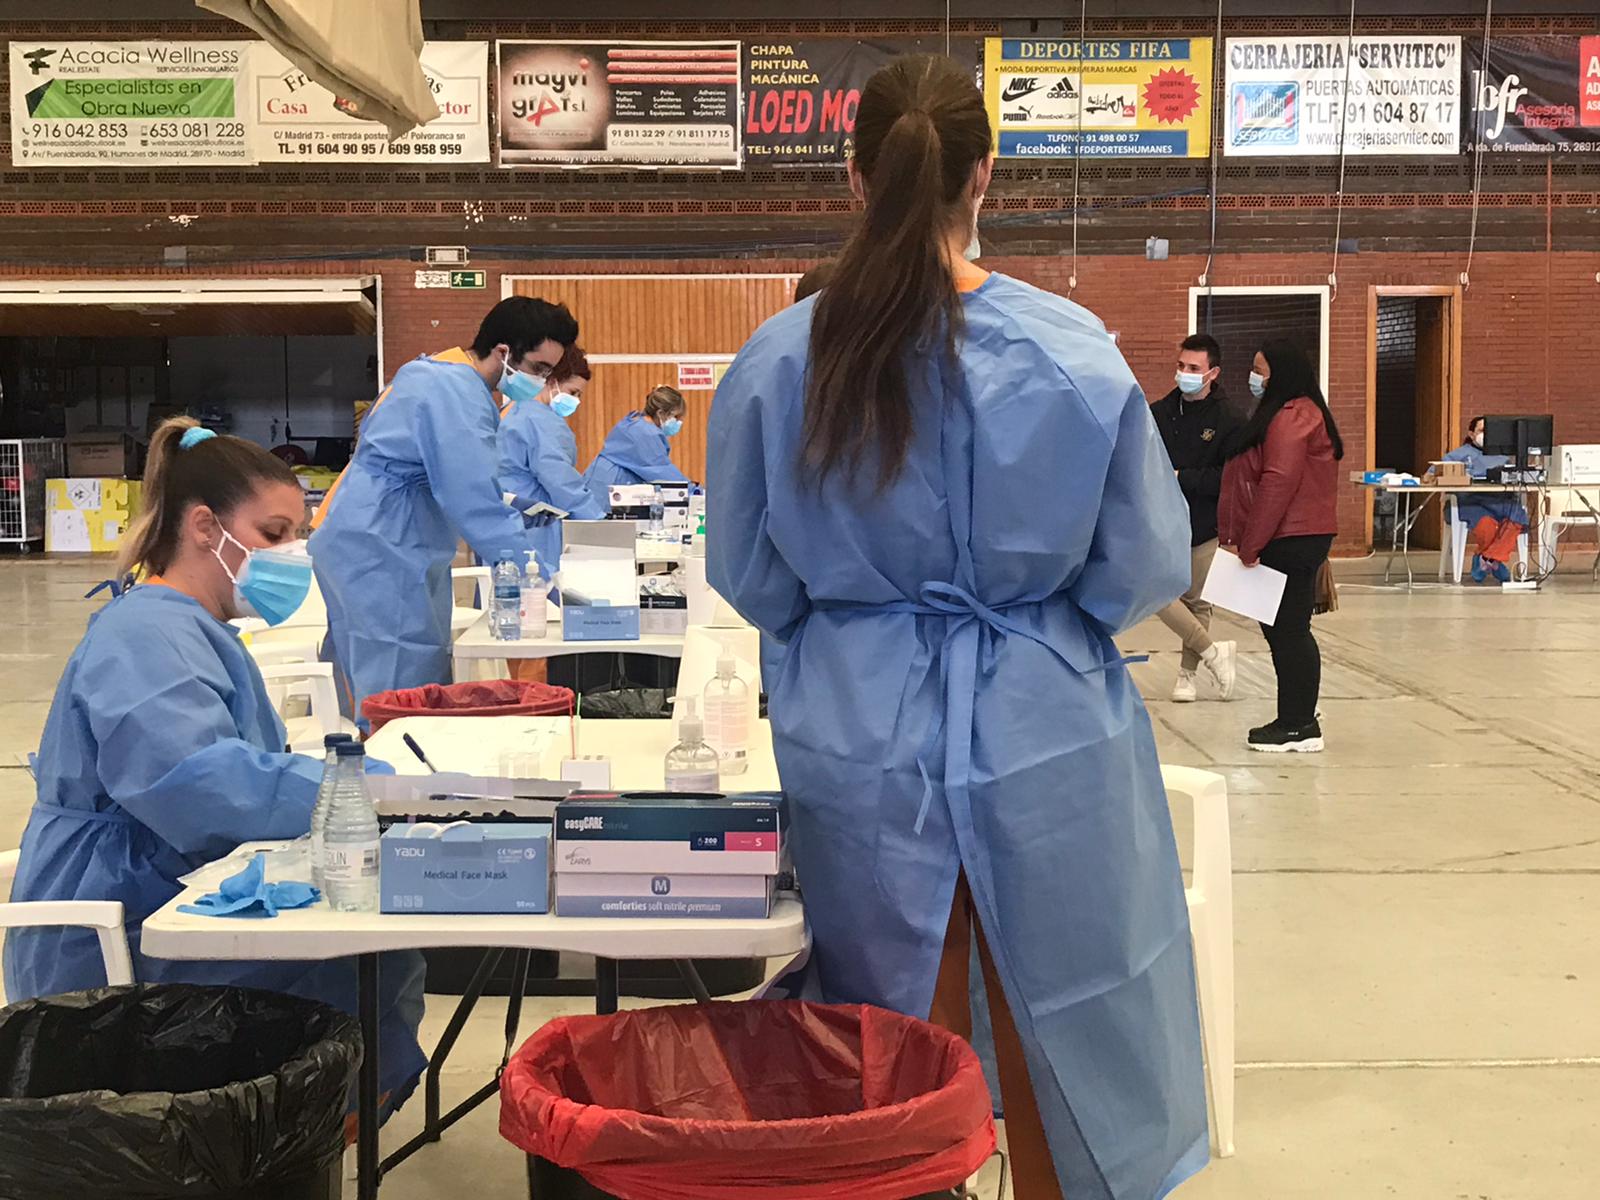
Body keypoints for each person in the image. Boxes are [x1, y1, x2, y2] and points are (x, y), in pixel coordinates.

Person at [707, 54, 1206, 1200]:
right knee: (1070, 1009)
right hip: (1045, 716)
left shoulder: (785, 358)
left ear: (852, 178)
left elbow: (749, 570)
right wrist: (1038, 622)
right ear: (986, 175)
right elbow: (1141, 563)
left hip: (860, 725)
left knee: (891, 1025)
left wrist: (850, 629)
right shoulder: (1072, 350)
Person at [2, 417, 426, 1110]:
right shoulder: (145, 632)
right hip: (116, 924)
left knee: (376, 945)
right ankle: (312, 1139)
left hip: (162, 879)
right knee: (358, 965)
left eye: (298, 537)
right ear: (205, 527)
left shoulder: (192, 627)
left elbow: (237, 769)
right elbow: (198, 785)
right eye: (275, 534)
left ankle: (320, 1132)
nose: (294, 556)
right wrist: (355, 789)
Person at [309, 297, 575, 721]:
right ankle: (388, 775)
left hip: (372, 530)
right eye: (539, 369)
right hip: (381, 541)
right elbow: (472, 499)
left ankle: (371, 764)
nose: (541, 381)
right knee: (397, 681)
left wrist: (507, 503)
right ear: (504, 352)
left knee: (372, 663)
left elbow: (445, 473)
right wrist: (547, 577)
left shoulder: (435, 373)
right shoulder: (454, 392)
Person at [1218, 339, 1342, 753]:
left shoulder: (1293, 416)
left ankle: (1299, 724)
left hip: (1289, 537)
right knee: (1284, 631)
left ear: (1281, 372)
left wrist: (1250, 545)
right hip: (1291, 535)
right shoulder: (1292, 412)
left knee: (1289, 631)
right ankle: (1296, 715)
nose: (1254, 378)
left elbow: (1278, 482)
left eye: (1260, 369)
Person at [1150, 333, 1242, 702]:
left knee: (1197, 601)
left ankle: (1187, 675)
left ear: (1212, 372)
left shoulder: (1231, 419)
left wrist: (1181, 477)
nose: (1184, 373)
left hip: (1204, 524)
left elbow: (1231, 476)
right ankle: (1213, 652)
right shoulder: (1158, 412)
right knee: (1153, 593)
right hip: (1160, 523)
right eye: (1181, 366)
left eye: (1193, 368)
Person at [497, 344, 608, 575]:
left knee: (502, 588)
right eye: (573, 392)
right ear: (551, 380)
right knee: (538, 595)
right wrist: (599, 521)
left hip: (504, 520)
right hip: (535, 526)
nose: (576, 400)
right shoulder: (539, 420)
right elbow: (559, 479)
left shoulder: (513, 410)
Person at [1442, 416, 1526, 583]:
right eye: (1481, 431)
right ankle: (1495, 562)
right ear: (1472, 434)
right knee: (1487, 526)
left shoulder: (1504, 456)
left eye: (1489, 432)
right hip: (1470, 502)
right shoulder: (1458, 454)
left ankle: (1486, 559)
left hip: (1500, 501)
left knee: (1517, 516)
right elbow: (1435, 472)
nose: (1485, 435)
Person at [583, 385, 690, 492]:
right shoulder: (646, 434)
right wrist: (694, 490)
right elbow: (663, 473)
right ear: (660, 413)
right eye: (676, 417)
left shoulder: (634, 422)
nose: (678, 422)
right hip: (608, 489)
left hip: (598, 481)